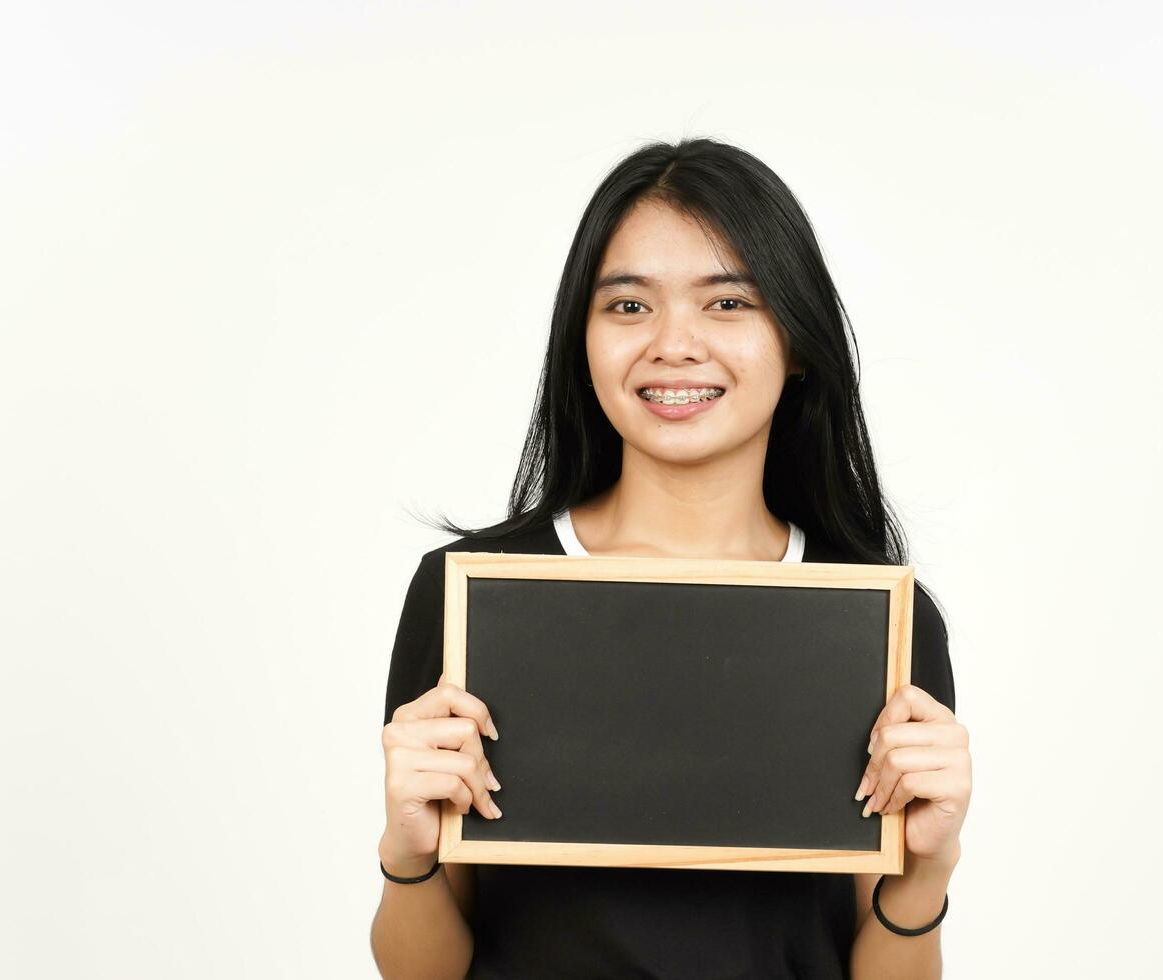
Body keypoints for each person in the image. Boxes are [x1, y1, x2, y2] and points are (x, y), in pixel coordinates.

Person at [370, 137, 972, 979]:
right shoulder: (474, 598)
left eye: (727, 304)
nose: (674, 344)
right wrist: (408, 848)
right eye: (627, 307)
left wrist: (928, 867)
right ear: (581, 339)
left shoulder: (884, 622)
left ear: (797, 340)